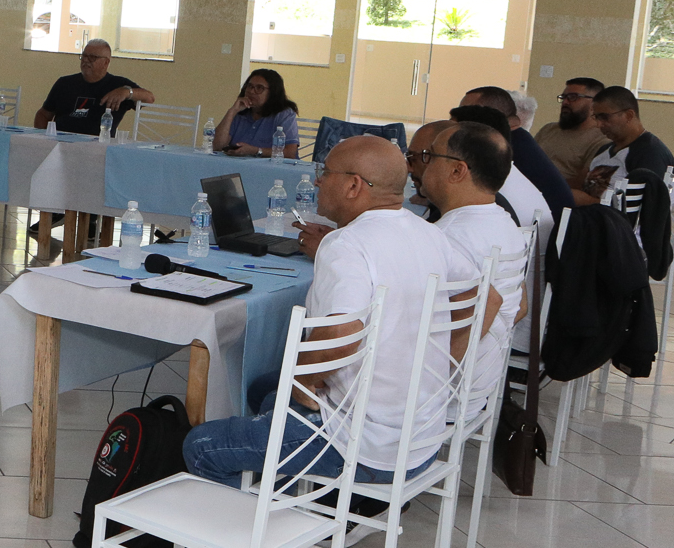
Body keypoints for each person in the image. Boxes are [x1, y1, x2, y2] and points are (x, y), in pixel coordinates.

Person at [182, 136, 475, 501]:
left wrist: (302, 393)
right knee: (264, 389)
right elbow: (479, 294)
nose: (318, 181)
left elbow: (342, 331)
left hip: (363, 444)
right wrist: (449, 362)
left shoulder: (347, 245)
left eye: (325, 172)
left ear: (353, 185)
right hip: (421, 435)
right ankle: (275, 484)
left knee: (201, 445)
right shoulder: (429, 232)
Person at [418, 121, 525, 424]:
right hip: (477, 390)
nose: (422, 165)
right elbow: (521, 307)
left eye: (430, 155)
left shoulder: (445, 237)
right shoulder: (507, 225)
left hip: (434, 400)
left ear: (457, 171)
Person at [460, 85, 571, 217]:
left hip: (539, 232)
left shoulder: (502, 147)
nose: (459, 121)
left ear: (492, 115)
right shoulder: (520, 140)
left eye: (465, 114)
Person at [576, 86, 674, 205]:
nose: (598, 124)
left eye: (604, 117)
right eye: (596, 117)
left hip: (612, 222)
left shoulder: (650, 154)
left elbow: (645, 211)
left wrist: (587, 202)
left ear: (629, 115)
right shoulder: (605, 150)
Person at [35, 39, 153, 135]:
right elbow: (43, 115)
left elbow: (149, 98)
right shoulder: (64, 83)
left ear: (105, 63)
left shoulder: (118, 85)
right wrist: (44, 139)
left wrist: (127, 92)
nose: (86, 60)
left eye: (92, 57)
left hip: (98, 149)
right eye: (84, 56)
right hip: (60, 145)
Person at [533, 77, 609, 192]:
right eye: (563, 97)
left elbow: (582, 183)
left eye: (573, 97)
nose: (565, 102)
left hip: (557, 197)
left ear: (595, 104)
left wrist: (540, 184)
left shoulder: (601, 140)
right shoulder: (548, 129)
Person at [214, 68, 299, 157]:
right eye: (250, 86)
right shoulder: (240, 113)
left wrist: (256, 151)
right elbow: (217, 146)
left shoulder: (284, 114)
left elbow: (290, 153)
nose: (251, 91)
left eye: (259, 88)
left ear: (272, 92)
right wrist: (232, 111)